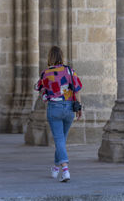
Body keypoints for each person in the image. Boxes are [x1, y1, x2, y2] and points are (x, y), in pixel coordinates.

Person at [34, 46, 82, 182]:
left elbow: (38, 88)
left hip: (54, 108)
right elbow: (77, 90)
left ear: (50, 57)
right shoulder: (69, 71)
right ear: (61, 56)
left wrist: (46, 95)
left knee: (59, 140)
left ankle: (65, 170)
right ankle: (56, 168)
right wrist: (79, 108)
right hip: (68, 108)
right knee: (61, 139)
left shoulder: (46, 73)